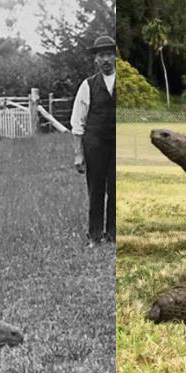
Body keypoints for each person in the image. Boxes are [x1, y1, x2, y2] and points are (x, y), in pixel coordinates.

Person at [71, 35, 117, 246]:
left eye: (109, 54)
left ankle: (113, 234)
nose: (106, 59)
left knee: (116, 189)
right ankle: (95, 236)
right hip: (95, 143)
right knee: (96, 189)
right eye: (101, 55)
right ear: (96, 60)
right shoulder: (87, 85)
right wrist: (79, 153)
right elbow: (77, 122)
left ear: (114, 57)